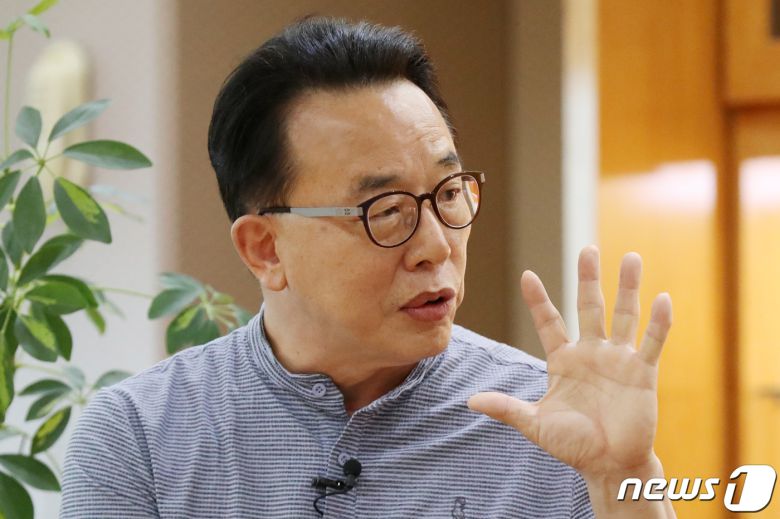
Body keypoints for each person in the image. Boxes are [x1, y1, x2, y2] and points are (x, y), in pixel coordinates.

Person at [60, 17, 676, 518]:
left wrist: (623, 480)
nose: (435, 246)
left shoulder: (550, 424)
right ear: (265, 249)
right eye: (385, 210)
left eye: (449, 192)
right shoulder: (140, 437)